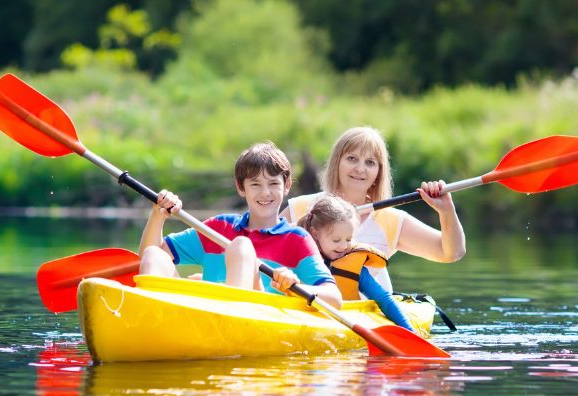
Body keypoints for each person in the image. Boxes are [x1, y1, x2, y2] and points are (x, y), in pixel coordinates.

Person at [139, 141, 342, 309]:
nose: (265, 193)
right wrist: (158, 214)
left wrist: (295, 286)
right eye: (255, 184)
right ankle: (150, 319)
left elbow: (335, 298)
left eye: (273, 184)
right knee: (154, 254)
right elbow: (148, 257)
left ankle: (230, 316)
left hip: (254, 320)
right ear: (240, 187)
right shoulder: (219, 227)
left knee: (241, 247)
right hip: (204, 318)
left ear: (286, 186)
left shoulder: (297, 239)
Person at [281, 126, 466, 292]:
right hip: (307, 305)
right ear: (337, 163)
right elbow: (259, 243)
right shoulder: (302, 207)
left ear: (379, 172)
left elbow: (451, 252)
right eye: (352, 158)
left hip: (368, 314)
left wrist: (446, 210)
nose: (360, 169)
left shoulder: (391, 220)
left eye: (370, 162)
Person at [298, 195, 415, 331]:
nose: (343, 246)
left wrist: (410, 331)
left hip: (342, 323)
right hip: (302, 317)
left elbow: (383, 298)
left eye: (348, 239)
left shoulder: (354, 266)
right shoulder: (299, 258)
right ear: (315, 233)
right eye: (336, 240)